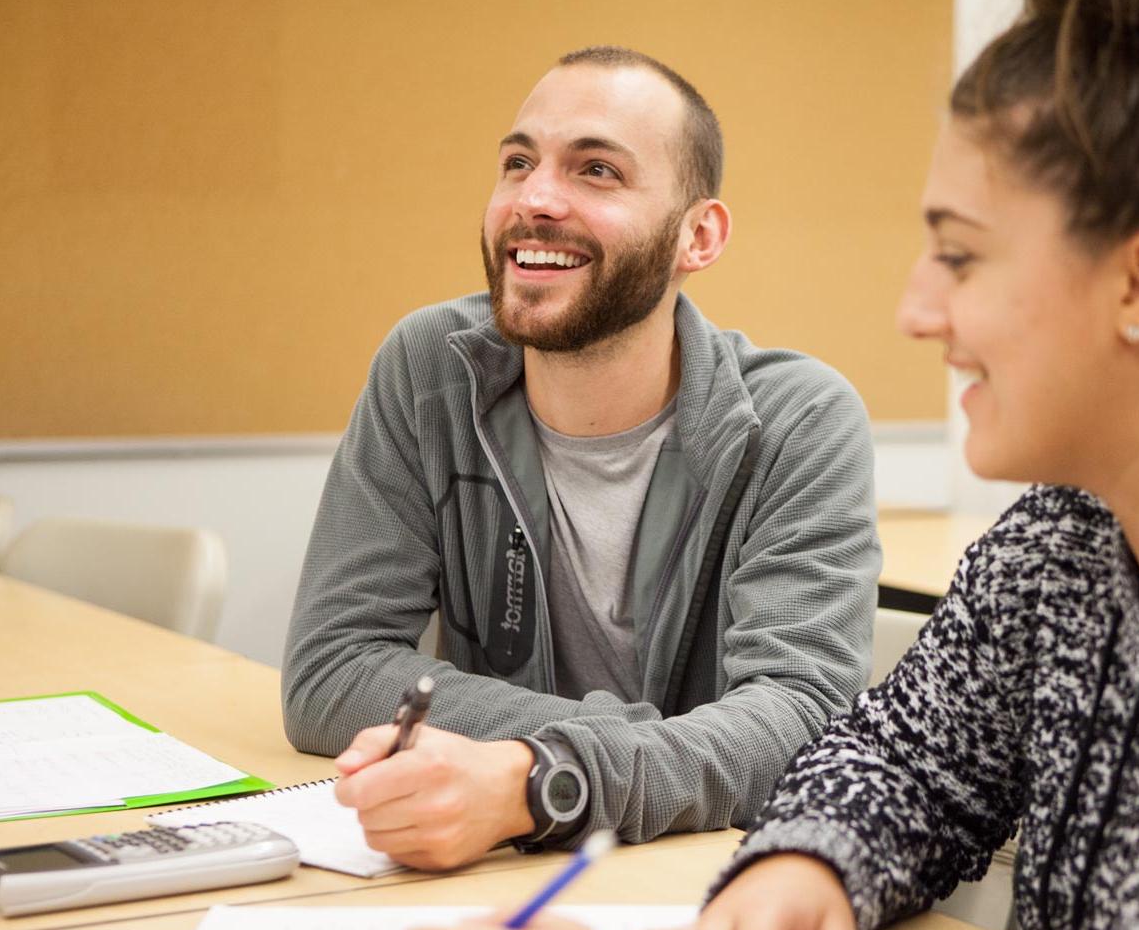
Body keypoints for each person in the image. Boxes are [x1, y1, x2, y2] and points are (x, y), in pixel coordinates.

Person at [395, 0, 1139, 930]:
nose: (917, 309)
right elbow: (903, 758)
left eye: (959, 256)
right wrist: (807, 859)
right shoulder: (1066, 534)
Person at [281, 46, 880, 869]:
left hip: (698, 884)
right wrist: (588, 753)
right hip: (495, 867)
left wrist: (545, 777)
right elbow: (330, 669)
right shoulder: (431, 370)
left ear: (697, 236)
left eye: (596, 170)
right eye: (517, 162)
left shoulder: (798, 420)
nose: (534, 199)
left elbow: (802, 717)